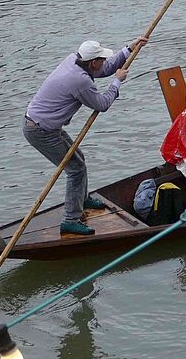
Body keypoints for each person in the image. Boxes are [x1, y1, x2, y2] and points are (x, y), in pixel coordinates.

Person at [24, 36, 145, 236]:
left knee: (79, 159)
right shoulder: (78, 80)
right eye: (101, 59)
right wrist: (117, 82)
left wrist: (129, 49)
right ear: (93, 62)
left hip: (45, 126)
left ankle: (82, 199)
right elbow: (102, 104)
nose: (104, 62)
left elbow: (103, 70)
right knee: (75, 169)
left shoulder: (74, 60)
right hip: (39, 130)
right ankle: (70, 219)